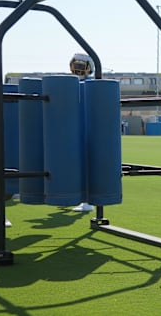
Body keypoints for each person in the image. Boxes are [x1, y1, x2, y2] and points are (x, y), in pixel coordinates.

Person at [69, 53, 95, 213]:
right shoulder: (74, 84)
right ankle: (82, 197)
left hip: (87, 128)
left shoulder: (89, 84)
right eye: (76, 65)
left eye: (81, 66)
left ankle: (87, 200)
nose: (77, 69)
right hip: (77, 128)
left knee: (87, 164)